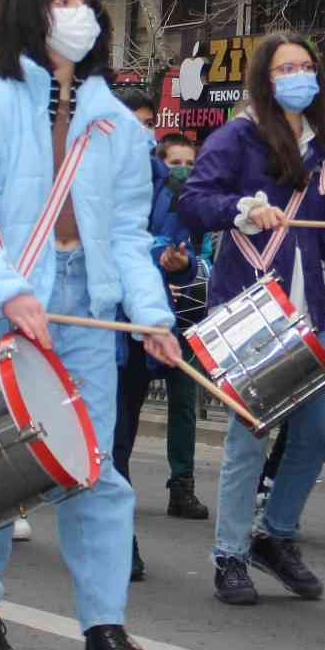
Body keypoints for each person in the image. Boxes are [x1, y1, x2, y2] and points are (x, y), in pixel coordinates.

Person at [0, 0, 177, 650]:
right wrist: (7, 290)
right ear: (26, 12)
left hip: (86, 310)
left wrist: (151, 315)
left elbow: (127, 233)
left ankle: (105, 636)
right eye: (61, 1)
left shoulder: (114, 122)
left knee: (94, 470)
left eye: (84, 0)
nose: (78, 13)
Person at [178, 31, 325, 607]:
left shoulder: (324, 144)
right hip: (249, 307)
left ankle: (276, 535)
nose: (298, 76)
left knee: (317, 431)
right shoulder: (236, 136)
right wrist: (241, 209)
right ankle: (230, 554)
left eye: (305, 66)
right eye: (285, 68)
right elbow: (195, 201)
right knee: (249, 435)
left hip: (304, 310)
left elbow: (322, 238)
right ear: (265, 78)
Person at [108, 94, 210, 571]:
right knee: (104, 437)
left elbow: (167, 247)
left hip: (136, 330)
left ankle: (115, 535)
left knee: (121, 437)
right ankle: (113, 538)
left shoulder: (163, 188)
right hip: (91, 324)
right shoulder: (90, 173)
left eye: (148, 124)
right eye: (133, 123)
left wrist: (177, 263)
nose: (142, 133)